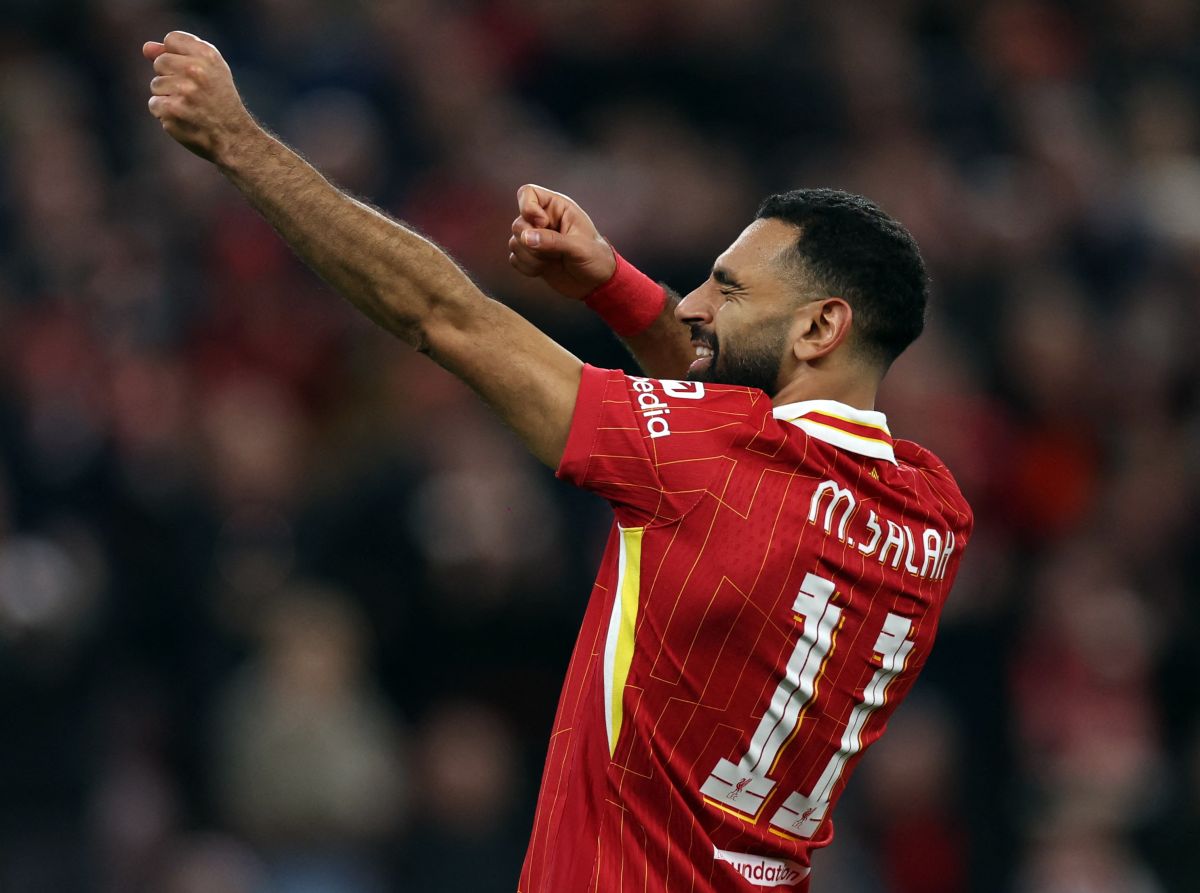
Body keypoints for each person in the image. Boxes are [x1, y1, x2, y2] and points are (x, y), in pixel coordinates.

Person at [143, 31, 972, 892]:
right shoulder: (934, 514)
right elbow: (739, 419)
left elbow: (442, 314)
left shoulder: (703, 461)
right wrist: (611, 280)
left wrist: (237, 143)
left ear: (819, 327)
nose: (693, 304)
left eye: (727, 290)